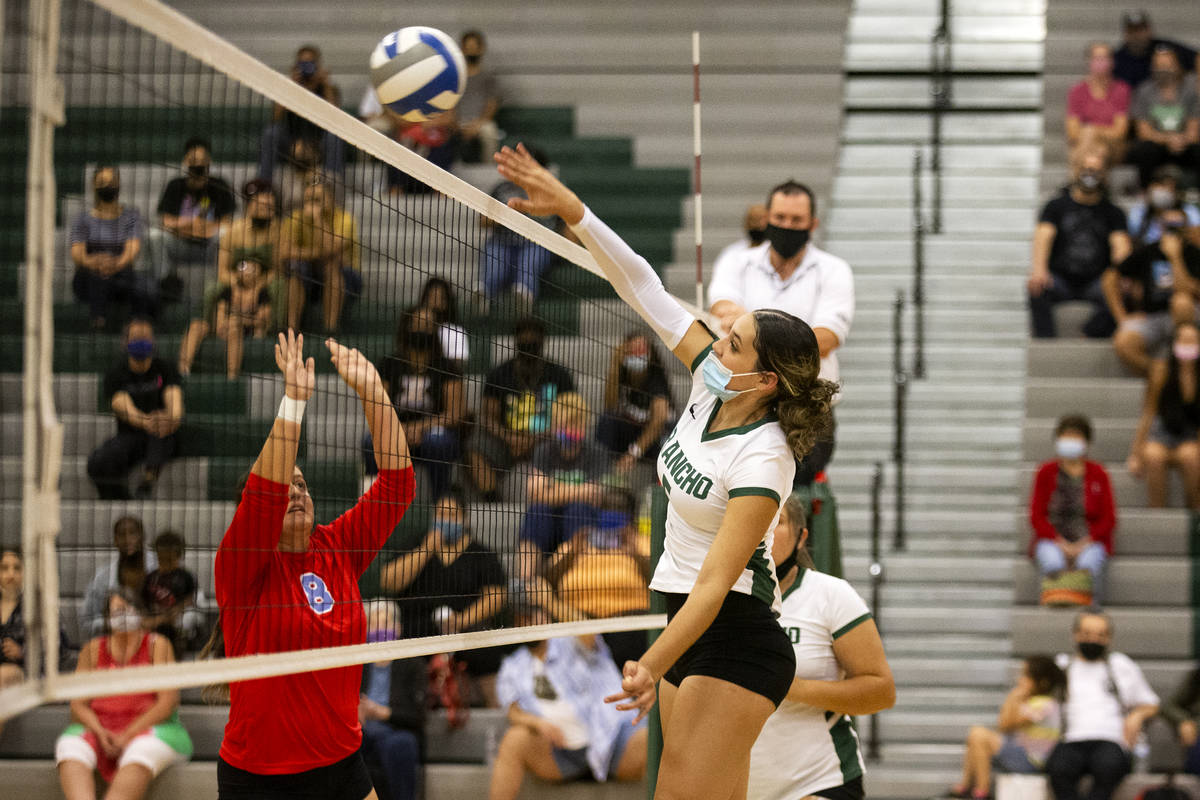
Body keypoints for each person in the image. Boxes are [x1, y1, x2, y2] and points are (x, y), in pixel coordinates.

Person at [495, 143, 838, 799]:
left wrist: (650, 663)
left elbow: (714, 584)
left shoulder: (765, 457)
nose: (718, 336)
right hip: (688, 631)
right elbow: (643, 286)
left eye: (734, 340)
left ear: (764, 380)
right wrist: (574, 211)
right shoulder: (715, 381)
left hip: (734, 635)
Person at [211, 330, 416, 800]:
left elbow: (397, 486)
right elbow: (264, 492)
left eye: (302, 484)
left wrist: (374, 393)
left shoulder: (337, 547)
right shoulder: (241, 565)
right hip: (260, 777)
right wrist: (294, 403)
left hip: (341, 765)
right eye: (287, 485)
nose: (295, 491)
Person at [747, 495, 895, 800]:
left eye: (778, 521)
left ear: (801, 538)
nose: (765, 529)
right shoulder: (716, 599)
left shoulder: (831, 595)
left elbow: (881, 691)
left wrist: (791, 688)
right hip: (737, 785)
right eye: (757, 517)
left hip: (817, 782)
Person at [706, 180, 852, 484]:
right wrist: (789, 340)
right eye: (780, 218)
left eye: (796, 220)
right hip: (743, 403)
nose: (787, 225)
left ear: (813, 224)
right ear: (767, 218)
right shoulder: (736, 261)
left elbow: (825, 340)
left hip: (806, 411)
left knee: (789, 504)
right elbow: (722, 310)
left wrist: (749, 329)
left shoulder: (834, 270)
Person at [55, 589, 192, 800]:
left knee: (141, 750)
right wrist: (101, 732)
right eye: (116, 611)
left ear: (140, 613)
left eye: (128, 609)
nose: (123, 615)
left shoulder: (158, 645)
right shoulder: (92, 649)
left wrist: (128, 734)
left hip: (151, 728)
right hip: (102, 727)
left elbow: (167, 703)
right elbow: (77, 705)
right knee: (69, 747)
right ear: (107, 618)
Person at [489, 626, 648, 800]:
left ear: (546, 616)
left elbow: (589, 632)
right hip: (560, 754)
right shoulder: (512, 665)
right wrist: (537, 723)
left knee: (654, 738)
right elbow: (513, 712)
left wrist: (550, 601)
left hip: (612, 742)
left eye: (535, 614)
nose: (530, 621)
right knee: (514, 739)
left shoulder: (571, 642)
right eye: (524, 618)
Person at [379, 489, 507, 705]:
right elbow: (388, 582)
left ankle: (493, 710)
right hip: (419, 629)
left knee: (487, 649)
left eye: (451, 515)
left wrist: (461, 621)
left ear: (464, 519)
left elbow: (496, 596)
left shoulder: (481, 554)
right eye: (440, 514)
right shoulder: (415, 543)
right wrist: (425, 550)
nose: (444, 520)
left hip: (463, 629)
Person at [1045, 609, 1160, 800]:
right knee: (1058, 769)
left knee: (1108, 768)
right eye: (1087, 633)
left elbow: (1152, 704)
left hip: (1111, 740)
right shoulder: (1062, 666)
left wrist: (1137, 715)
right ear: (1076, 635)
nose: (1093, 640)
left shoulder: (1121, 665)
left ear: (1109, 638)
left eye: (1101, 635)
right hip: (1071, 739)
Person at [467, 316, 576, 501]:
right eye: (524, 334)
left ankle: (552, 498)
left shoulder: (559, 374)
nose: (529, 339)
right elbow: (487, 418)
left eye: (533, 335)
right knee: (475, 447)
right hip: (505, 440)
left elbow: (570, 418)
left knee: (569, 441)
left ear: (542, 339)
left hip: (546, 439)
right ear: (516, 339)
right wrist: (509, 438)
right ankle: (492, 498)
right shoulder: (499, 373)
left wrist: (533, 440)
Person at [1028, 147, 1132, 339]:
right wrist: (1039, 269)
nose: (1089, 174)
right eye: (1086, 168)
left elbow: (1121, 246)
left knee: (1122, 290)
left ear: (1104, 174)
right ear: (1076, 171)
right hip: (1061, 278)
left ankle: (1090, 333)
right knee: (1036, 288)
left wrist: (1122, 275)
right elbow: (1043, 236)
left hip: (1096, 280)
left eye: (1095, 170)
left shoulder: (1113, 212)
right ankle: (1046, 342)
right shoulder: (1056, 206)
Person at [541, 488, 652, 667]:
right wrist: (571, 554)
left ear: (630, 515)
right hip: (578, 622)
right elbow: (545, 582)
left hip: (629, 624)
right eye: (608, 507)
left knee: (626, 636)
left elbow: (659, 585)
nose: (613, 512)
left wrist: (636, 555)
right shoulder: (579, 542)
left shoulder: (643, 543)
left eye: (619, 508)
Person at [365, 308, 465, 500]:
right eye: (417, 324)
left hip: (434, 431)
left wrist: (419, 427)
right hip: (395, 430)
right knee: (371, 442)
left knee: (438, 442)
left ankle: (440, 504)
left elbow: (455, 414)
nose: (422, 329)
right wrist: (398, 429)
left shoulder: (447, 367)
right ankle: (377, 505)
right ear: (407, 328)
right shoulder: (389, 364)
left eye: (427, 325)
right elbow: (378, 409)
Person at [516, 392, 610, 578]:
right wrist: (578, 490)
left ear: (584, 425)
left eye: (574, 423)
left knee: (578, 510)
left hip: (579, 523)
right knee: (537, 511)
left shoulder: (597, 452)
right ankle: (524, 584)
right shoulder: (544, 450)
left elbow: (594, 496)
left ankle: (573, 582)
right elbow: (534, 494)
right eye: (563, 424)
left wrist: (553, 488)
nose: (568, 429)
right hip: (548, 520)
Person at [87, 319, 183, 500]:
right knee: (98, 462)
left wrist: (170, 418)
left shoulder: (165, 368)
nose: (141, 342)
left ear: (153, 341)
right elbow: (122, 406)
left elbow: (175, 403)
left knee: (161, 436)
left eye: (145, 338)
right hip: (131, 434)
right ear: (125, 342)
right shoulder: (117, 372)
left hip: (164, 432)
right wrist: (146, 421)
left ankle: (147, 482)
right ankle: (120, 498)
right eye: (136, 338)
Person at [948, 656, 1065, 800]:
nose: (1020, 680)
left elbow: (1005, 724)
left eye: (1025, 676)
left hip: (1030, 761)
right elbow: (1005, 724)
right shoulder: (1035, 702)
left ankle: (982, 791)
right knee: (975, 735)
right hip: (1021, 753)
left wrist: (1014, 696)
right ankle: (966, 786)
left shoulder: (1044, 705)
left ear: (1042, 683)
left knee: (978, 735)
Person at [1028, 414, 1116, 605]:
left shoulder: (1098, 473)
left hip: (1089, 540)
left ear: (1086, 442)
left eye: (1076, 437)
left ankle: (1092, 612)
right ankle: (1050, 607)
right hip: (1053, 539)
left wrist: (1084, 543)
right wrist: (1061, 543)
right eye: (1066, 437)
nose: (1070, 442)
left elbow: (1109, 519)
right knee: (1052, 562)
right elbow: (1036, 517)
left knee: (1088, 564)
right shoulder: (1045, 472)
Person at [1108, 209, 1200, 374]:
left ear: (1185, 227)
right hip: (1154, 316)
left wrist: (1175, 257)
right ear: (1160, 227)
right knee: (1124, 342)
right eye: (1168, 225)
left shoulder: (1194, 253)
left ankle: (1184, 368)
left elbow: (1188, 290)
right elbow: (1109, 278)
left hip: (1189, 318)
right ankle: (1161, 374)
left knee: (1181, 302)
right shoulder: (1148, 251)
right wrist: (1121, 316)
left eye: (1177, 225)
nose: (1172, 229)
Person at [70, 166, 155, 330]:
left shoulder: (131, 216)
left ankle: (138, 328)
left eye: (111, 182)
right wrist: (94, 263)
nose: (107, 186)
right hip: (87, 279)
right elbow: (77, 253)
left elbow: (132, 250)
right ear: (94, 186)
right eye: (102, 182)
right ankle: (98, 322)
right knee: (98, 277)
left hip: (121, 276)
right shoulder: (82, 219)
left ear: (118, 185)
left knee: (142, 287)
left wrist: (115, 264)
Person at [1127, 321, 1200, 509]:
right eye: (1184, 341)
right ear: (1174, 344)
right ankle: (1157, 511)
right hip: (1162, 433)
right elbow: (1149, 412)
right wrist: (1136, 453)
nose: (1188, 345)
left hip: (1191, 435)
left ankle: (1194, 515)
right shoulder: (1161, 371)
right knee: (1153, 456)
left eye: (1192, 341)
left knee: (1191, 457)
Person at [358, 601, 426, 800]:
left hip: (394, 731)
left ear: (398, 628)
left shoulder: (413, 663)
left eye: (385, 623)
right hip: (360, 730)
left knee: (401, 744)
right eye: (374, 624)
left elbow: (418, 715)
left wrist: (380, 712)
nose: (380, 629)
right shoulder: (355, 661)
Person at [479, 148, 559, 315]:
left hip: (536, 243)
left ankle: (524, 295)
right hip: (503, 241)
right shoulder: (502, 188)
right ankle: (483, 295)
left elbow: (563, 224)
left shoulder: (551, 191)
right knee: (496, 266)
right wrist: (506, 214)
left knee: (528, 262)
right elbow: (483, 221)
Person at [151, 136, 236, 292]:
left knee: (225, 234)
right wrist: (190, 224)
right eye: (193, 159)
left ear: (209, 160)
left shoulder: (219, 185)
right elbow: (165, 221)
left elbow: (227, 223)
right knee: (155, 235)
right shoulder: (175, 185)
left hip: (209, 245)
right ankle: (166, 282)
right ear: (185, 161)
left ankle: (222, 286)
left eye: (202, 159)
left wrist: (203, 229)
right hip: (180, 243)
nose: (198, 164)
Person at [280, 180, 361, 332]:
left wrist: (318, 221)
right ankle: (292, 329)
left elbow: (332, 250)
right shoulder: (296, 217)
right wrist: (316, 254)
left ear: (330, 198)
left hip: (346, 275)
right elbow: (285, 252)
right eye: (308, 200)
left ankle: (330, 328)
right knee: (295, 268)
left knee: (331, 266)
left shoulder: (344, 219)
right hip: (310, 271)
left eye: (317, 199)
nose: (312, 205)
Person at [209, 178, 287, 332]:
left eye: (270, 208)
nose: (267, 211)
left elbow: (278, 270)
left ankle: (272, 330)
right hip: (237, 280)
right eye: (262, 207)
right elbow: (222, 271)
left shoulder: (280, 231)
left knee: (279, 286)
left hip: (265, 281)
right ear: (249, 206)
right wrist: (239, 286)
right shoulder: (233, 231)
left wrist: (256, 287)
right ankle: (214, 329)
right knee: (212, 289)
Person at [179, 255, 273, 379]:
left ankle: (232, 377)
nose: (248, 272)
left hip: (245, 331)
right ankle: (183, 370)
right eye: (244, 267)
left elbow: (262, 319)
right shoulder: (228, 291)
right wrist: (226, 324)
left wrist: (239, 321)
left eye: (253, 268)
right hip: (223, 327)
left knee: (235, 330)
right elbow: (220, 316)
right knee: (196, 325)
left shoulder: (262, 293)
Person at [259, 44, 343, 181]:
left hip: (319, 140)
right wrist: (291, 85)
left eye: (311, 63)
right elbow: (275, 117)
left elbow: (337, 119)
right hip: (291, 140)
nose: (307, 68)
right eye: (303, 64)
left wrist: (325, 84)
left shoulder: (329, 88)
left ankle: (333, 185)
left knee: (334, 136)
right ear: (296, 65)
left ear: (318, 65)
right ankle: (263, 183)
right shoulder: (289, 87)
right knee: (271, 132)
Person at [596, 329, 674, 476]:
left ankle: (659, 487)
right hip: (631, 432)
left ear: (650, 355)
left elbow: (658, 422)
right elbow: (609, 405)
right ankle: (602, 475)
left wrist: (634, 452)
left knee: (666, 440)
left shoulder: (656, 381)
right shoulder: (622, 376)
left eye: (641, 350)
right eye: (632, 351)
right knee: (606, 420)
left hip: (656, 438)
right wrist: (615, 364)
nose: (637, 355)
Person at [1128, 46, 1200, 189]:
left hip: (1183, 144)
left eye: (1167, 65)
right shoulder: (1144, 91)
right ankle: (1145, 191)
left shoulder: (1189, 91)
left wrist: (1181, 140)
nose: (1163, 70)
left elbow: (1193, 131)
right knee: (1145, 150)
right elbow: (1143, 131)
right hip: (1157, 145)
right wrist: (1168, 139)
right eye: (1159, 66)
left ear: (1177, 65)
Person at [81, 517, 158, 639]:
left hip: (158, 641)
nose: (128, 540)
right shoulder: (102, 577)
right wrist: (115, 623)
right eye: (122, 535)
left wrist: (162, 620)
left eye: (133, 533)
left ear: (142, 536)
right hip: (118, 644)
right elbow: (87, 621)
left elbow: (192, 607)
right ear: (115, 540)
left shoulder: (163, 567)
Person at [1066, 43, 1132, 161]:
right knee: (1097, 152)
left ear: (1112, 62)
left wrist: (1093, 130)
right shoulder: (1077, 91)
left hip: (1113, 147)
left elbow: (1120, 133)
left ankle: (1076, 178)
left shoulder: (1121, 90)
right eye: (1097, 58)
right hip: (1090, 145)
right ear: (1088, 61)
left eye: (1104, 58)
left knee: (1091, 144)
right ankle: (1089, 175)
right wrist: (1096, 132)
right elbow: (1072, 133)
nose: (1101, 62)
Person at [141, 531, 202, 656]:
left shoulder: (185, 576)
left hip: (176, 619)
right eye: (161, 560)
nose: (165, 564)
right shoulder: (151, 577)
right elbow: (144, 599)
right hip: (156, 619)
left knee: (186, 621)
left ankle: (181, 647)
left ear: (179, 556)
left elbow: (191, 597)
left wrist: (177, 609)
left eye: (169, 560)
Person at [1113, 10, 1200, 91]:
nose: (1137, 36)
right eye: (1133, 31)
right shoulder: (1118, 58)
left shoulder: (1166, 47)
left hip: (1170, 99)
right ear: (1126, 33)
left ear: (1149, 30)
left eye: (1141, 30)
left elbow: (1196, 57)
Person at [455, 30, 501, 164]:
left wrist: (478, 123)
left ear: (481, 49)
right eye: (468, 48)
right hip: (455, 122)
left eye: (474, 48)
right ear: (462, 49)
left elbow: (492, 103)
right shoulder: (455, 76)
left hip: (480, 122)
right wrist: (455, 123)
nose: (471, 52)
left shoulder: (488, 77)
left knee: (490, 132)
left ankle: (487, 170)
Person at [1127, 166, 1200, 247]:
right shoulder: (1139, 211)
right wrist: (1158, 216)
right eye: (1160, 185)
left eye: (1169, 187)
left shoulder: (1189, 211)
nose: (1163, 191)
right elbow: (1131, 243)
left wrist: (1184, 222)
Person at [415, 276, 470, 365]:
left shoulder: (456, 332)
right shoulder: (415, 328)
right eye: (432, 297)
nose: (435, 302)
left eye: (441, 298)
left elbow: (457, 366)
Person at [711, 203, 768, 279]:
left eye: (761, 220)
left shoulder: (777, 256)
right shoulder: (731, 254)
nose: (756, 225)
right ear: (746, 224)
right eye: (752, 220)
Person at [0, 546, 25, 689]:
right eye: (4, 568)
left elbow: (56, 650)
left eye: (17, 568)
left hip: (26, 672)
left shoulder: (37, 607)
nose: (11, 574)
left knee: (3, 675)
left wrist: (23, 653)